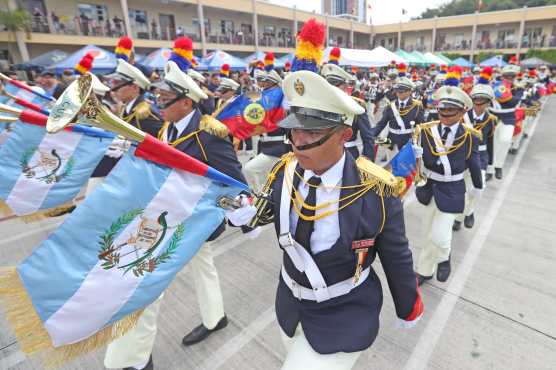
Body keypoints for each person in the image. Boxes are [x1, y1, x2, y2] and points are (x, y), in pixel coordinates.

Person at [229, 70, 423, 370]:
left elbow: (396, 255)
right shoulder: (285, 170)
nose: (298, 141)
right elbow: (265, 213)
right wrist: (241, 214)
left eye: (313, 132)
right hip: (290, 307)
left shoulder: (375, 191)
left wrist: (407, 307)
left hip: (344, 314)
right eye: (294, 130)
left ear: (344, 135)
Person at [104, 61, 247, 370]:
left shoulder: (210, 133)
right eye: (158, 95)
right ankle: (215, 317)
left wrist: (218, 215)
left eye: (165, 97)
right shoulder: (169, 126)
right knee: (197, 270)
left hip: (191, 223)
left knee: (146, 285)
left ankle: (135, 360)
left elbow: (235, 182)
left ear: (185, 101)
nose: (158, 103)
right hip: (168, 217)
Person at [414, 86, 483, 285]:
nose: (445, 114)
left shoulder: (469, 136)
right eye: (442, 109)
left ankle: (444, 257)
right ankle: (425, 271)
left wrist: (477, 189)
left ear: (462, 112)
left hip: (452, 190)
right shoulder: (426, 131)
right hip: (429, 187)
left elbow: (474, 164)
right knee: (426, 234)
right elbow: (417, 160)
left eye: (451, 110)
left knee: (440, 236)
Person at [453, 84, 497, 230]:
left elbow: (490, 142)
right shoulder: (463, 116)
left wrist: (490, 165)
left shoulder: (491, 119)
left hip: (481, 156)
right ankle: (459, 218)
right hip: (463, 155)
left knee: (478, 188)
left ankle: (470, 212)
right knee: (463, 189)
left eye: (483, 100)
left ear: (488, 102)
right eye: (476, 100)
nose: (479, 104)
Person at [321, 63, 374, 160]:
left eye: (336, 85)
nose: (332, 89)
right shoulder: (320, 104)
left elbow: (368, 138)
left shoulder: (356, 105)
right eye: (329, 85)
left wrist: (366, 162)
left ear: (345, 86)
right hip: (324, 154)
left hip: (348, 155)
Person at [370, 76, 425, 162]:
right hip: (391, 142)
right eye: (397, 91)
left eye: (402, 91)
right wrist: (370, 135)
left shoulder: (417, 106)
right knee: (391, 167)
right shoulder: (390, 106)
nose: (399, 93)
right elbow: (381, 124)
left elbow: (421, 126)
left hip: (408, 141)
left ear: (409, 91)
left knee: (407, 169)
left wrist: (423, 144)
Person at [490, 64, 523, 179]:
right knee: (492, 143)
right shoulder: (494, 85)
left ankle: (498, 166)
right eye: (507, 76)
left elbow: (513, 102)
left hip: (508, 118)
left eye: (512, 76)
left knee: (505, 141)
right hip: (492, 117)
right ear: (502, 76)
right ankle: (490, 169)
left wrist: (504, 94)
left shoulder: (518, 88)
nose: (509, 78)